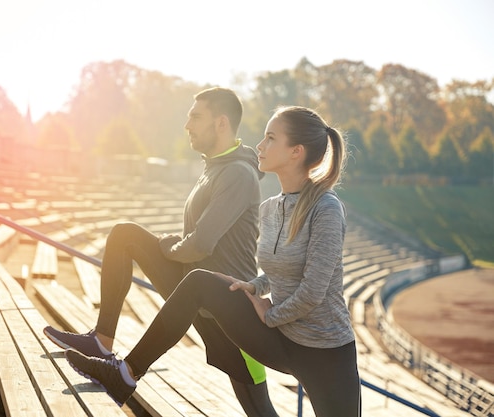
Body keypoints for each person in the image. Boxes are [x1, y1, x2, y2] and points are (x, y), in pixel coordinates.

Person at [65, 105, 362, 417]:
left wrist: (270, 313)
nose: (259, 145)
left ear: (295, 152)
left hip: (325, 353)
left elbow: (314, 291)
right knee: (200, 283)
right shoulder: (271, 207)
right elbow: (278, 269)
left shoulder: (326, 209)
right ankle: (124, 375)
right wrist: (255, 285)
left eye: (271, 138)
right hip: (280, 339)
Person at [44, 87, 279, 416]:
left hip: (231, 309)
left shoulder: (238, 174)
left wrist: (170, 246)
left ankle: (123, 374)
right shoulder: (216, 167)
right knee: (125, 235)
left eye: (196, 117)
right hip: (195, 290)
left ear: (221, 124)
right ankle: (103, 341)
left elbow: (201, 244)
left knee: (258, 407)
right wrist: (172, 247)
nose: (187, 125)